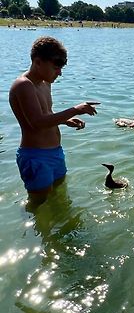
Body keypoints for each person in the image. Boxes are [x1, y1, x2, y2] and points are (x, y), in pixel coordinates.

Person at [9, 36, 100, 204]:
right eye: (56, 66)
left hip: (56, 152)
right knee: (38, 205)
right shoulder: (23, 85)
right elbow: (37, 122)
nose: (59, 72)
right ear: (38, 62)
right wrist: (75, 109)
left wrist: (65, 120)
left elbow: (46, 113)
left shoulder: (45, 83)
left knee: (59, 198)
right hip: (36, 157)